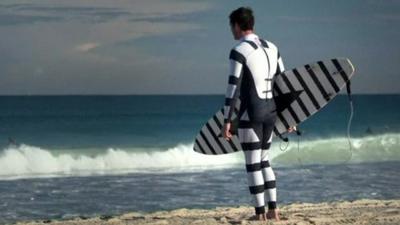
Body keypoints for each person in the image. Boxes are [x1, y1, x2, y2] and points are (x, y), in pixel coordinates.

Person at [222, 6, 295, 221]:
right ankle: (273, 211)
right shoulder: (273, 47)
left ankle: (260, 215)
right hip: (271, 112)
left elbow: (233, 87)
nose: (231, 31)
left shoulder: (239, 51)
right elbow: (284, 83)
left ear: (237, 25)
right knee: (265, 161)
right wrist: (290, 118)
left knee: (253, 164)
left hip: (250, 114)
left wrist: (226, 120)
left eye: (231, 27)